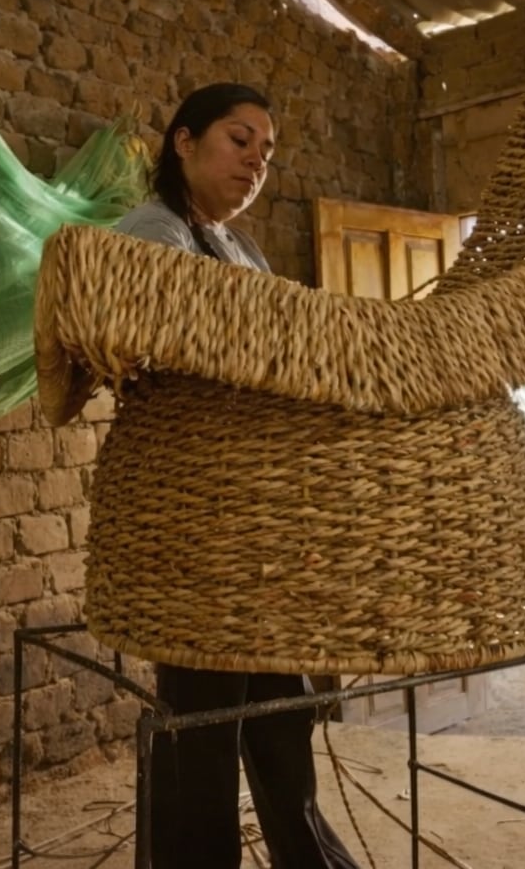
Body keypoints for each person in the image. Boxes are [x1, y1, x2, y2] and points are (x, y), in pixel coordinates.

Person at [115, 83, 360, 869]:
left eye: (266, 150)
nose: (255, 161)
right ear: (183, 142)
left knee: (281, 709)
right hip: (193, 517)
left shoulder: (241, 250)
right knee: (202, 719)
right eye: (238, 139)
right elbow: (182, 348)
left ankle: (308, 856)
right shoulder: (150, 232)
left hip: (248, 517)